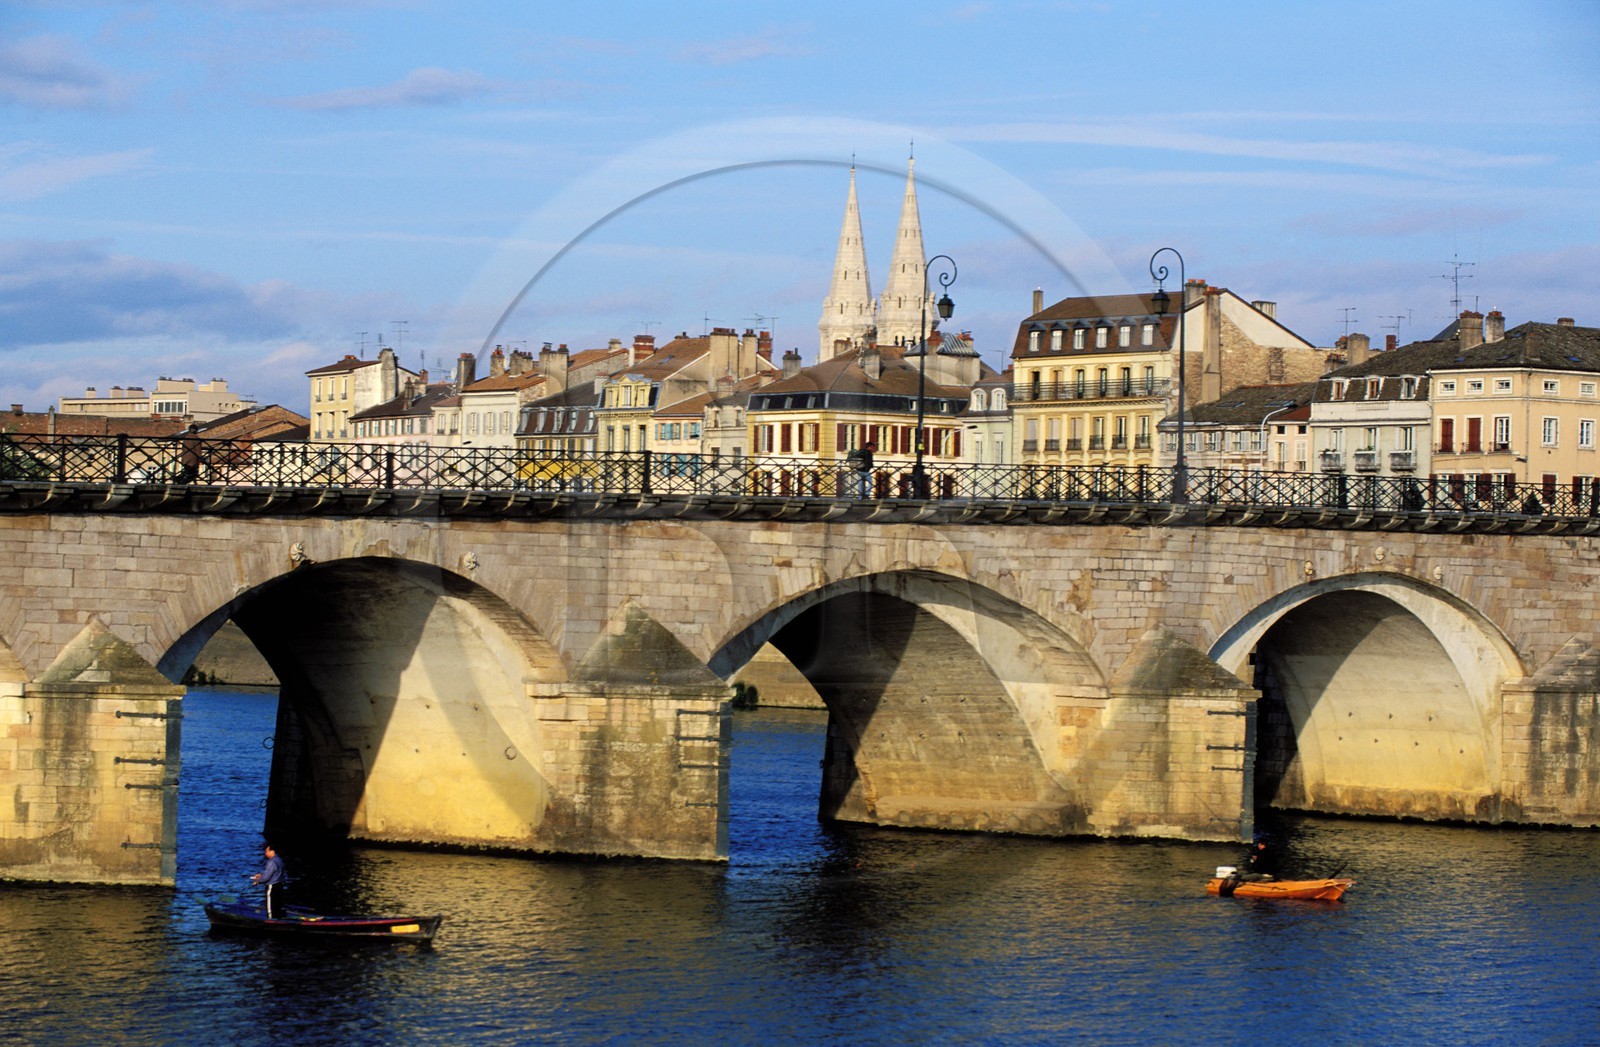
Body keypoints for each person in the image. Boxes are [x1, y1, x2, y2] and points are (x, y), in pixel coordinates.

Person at [250, 842, 287, 918]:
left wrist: (258, 880)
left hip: (272, 886)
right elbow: (276, 873)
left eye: (267, 851)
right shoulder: (279, 860)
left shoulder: (271, 862)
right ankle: (278, 918)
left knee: (270, 906)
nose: (265, 853)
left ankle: (270, 920)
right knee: (277, 905)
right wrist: (261, 876)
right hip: (279, 886)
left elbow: (266, 878)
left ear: (272, 851)